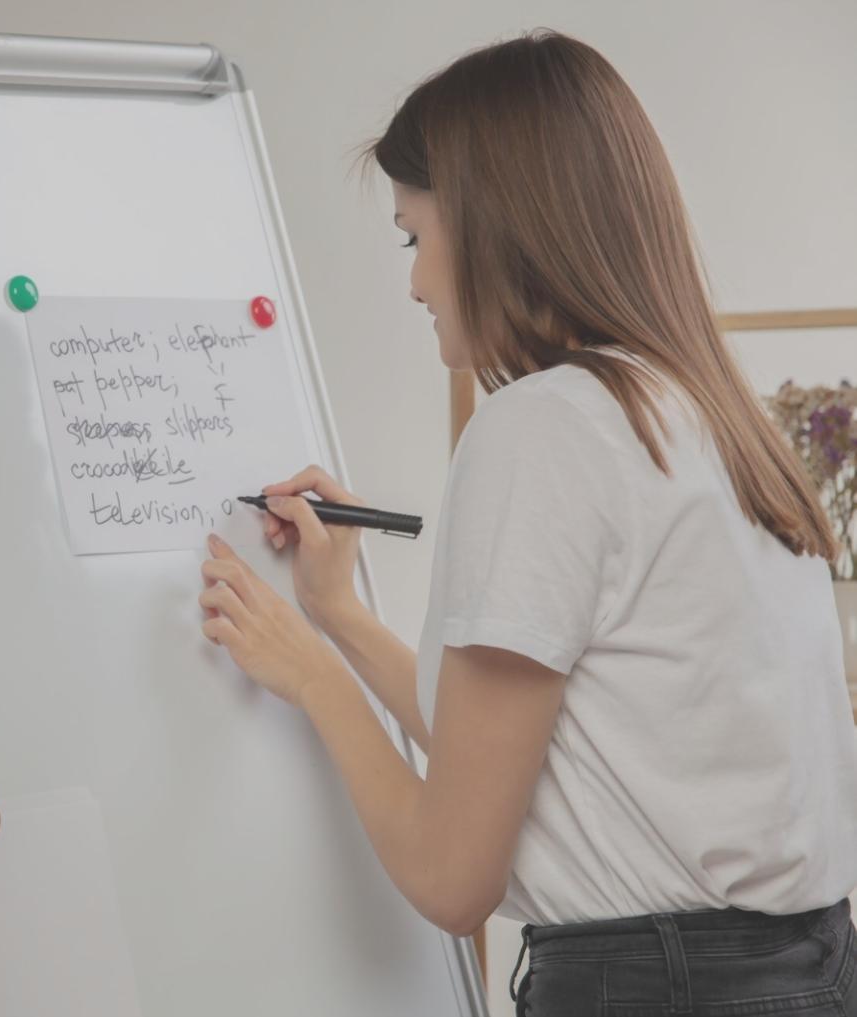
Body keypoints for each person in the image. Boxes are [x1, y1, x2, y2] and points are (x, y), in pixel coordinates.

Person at [196, 30, 857, 1014]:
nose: (414, 283)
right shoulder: (703, 415)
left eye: (416, 237)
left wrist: (306, 674)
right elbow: (532, 763)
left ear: (500, 223)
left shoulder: (541, 426)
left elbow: (449, 875)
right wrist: (338, 615)